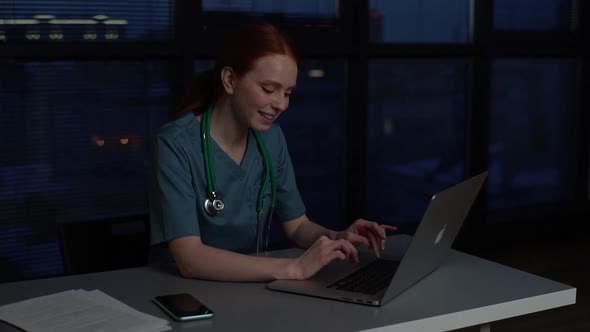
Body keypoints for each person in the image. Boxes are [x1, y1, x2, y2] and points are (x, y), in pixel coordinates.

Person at [149, 22, 396, 282]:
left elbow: (297, 226)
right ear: (230, 80)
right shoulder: (175, 143)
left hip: (249, 286)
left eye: (288, 93)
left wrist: (337, 237)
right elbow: (190, 259)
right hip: (182, 291)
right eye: (269, 89)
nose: (281, 104)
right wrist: (293, 268)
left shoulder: (272, 138)